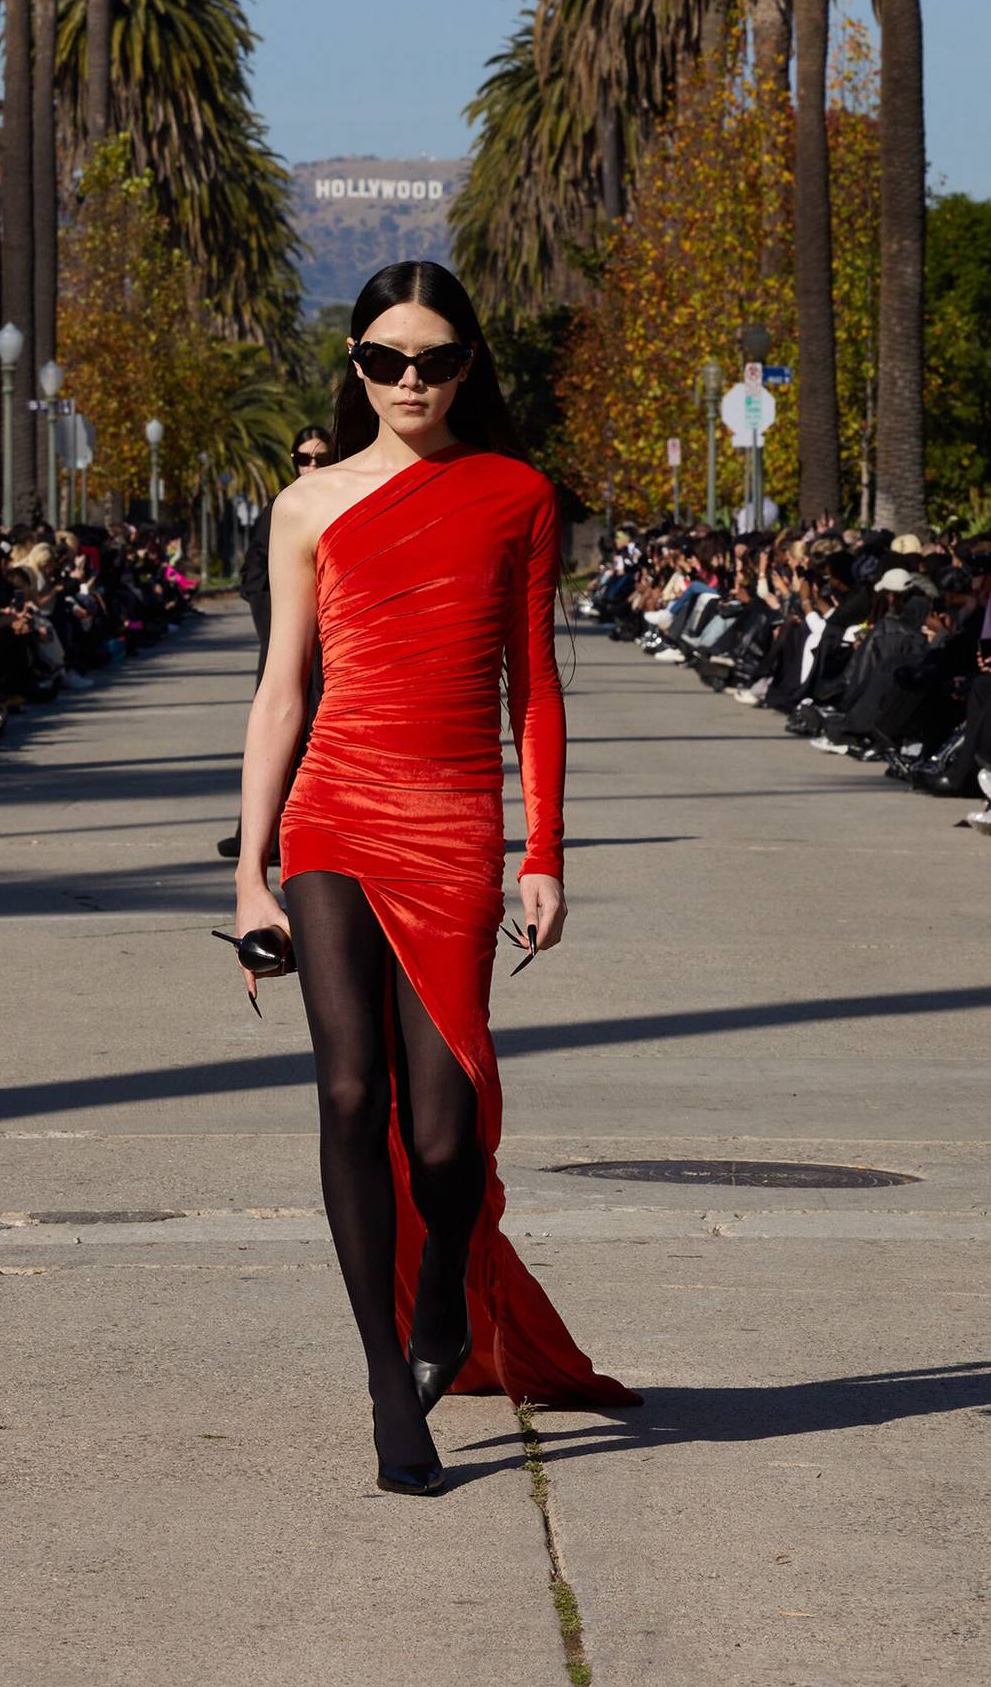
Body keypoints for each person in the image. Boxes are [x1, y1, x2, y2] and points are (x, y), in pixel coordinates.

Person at [232, 261, 640, 1499]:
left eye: (436, 361)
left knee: (445, 1129)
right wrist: (250, 872)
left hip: (454, 825)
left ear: (469, 366)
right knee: (352, 1095)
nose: (411, 382)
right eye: (385, 361)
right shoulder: (306, 504)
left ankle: (445, 1292)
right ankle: (383, 1388)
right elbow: (283, 692)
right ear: (353, 364)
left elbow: (538, 689)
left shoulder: (518, 494)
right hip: (333, 817)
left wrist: (546, 850)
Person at [216, 424, 332, 861]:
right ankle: (255, 835)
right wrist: (279, 625)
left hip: (332, 645)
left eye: (322, 459)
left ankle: (306, 829)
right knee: (274, 732)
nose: (313, 467)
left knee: (319, 733)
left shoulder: (344, 501)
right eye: (305, 459)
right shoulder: (281, 507)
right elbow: (253, 573)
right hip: (284, 642)